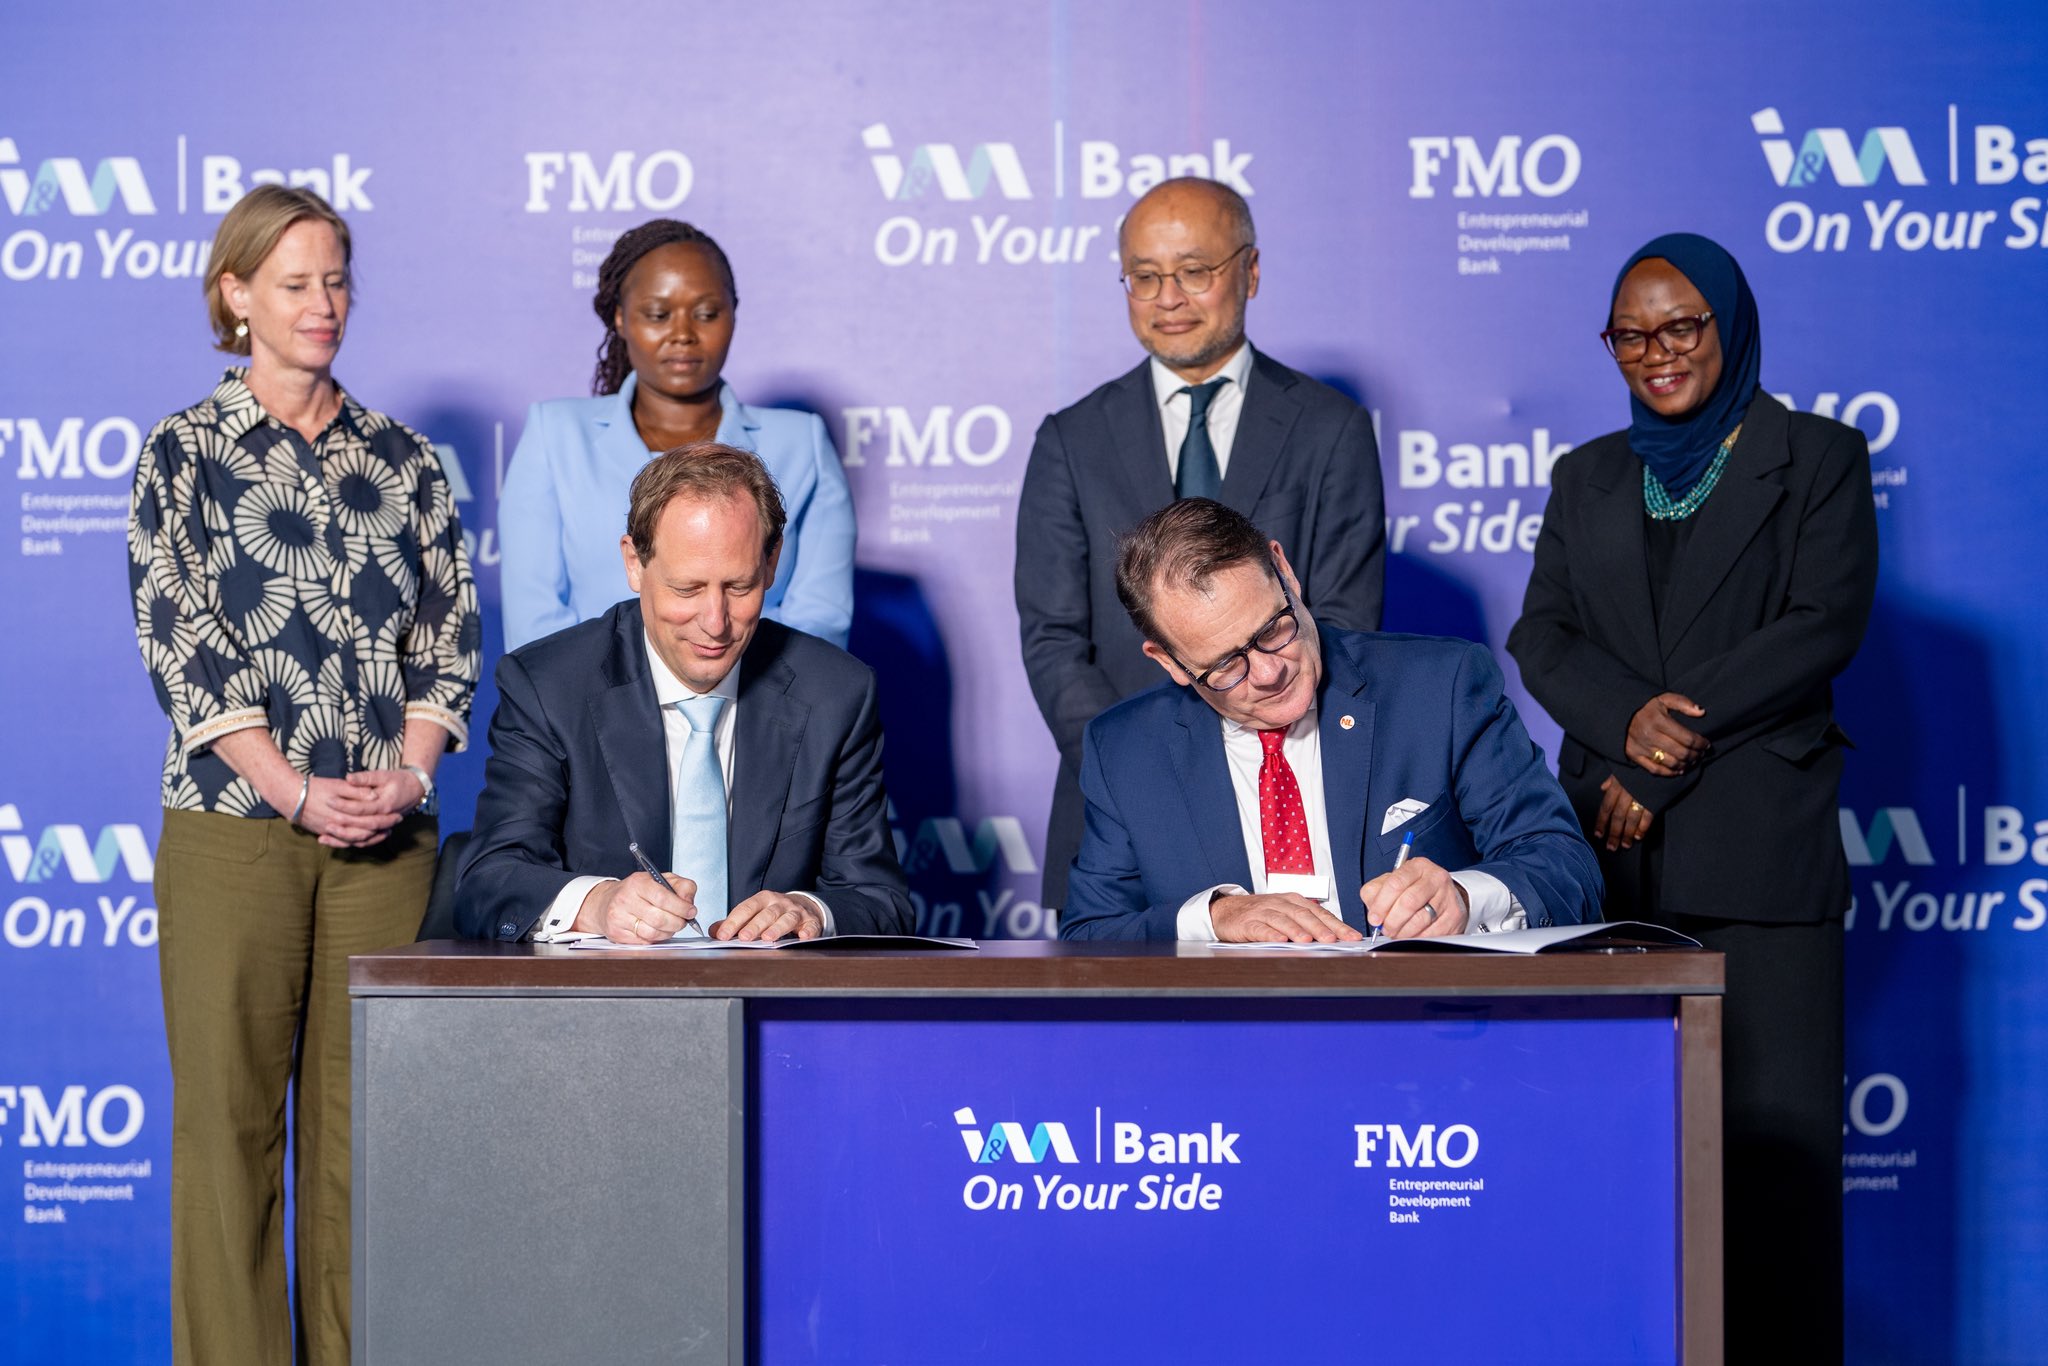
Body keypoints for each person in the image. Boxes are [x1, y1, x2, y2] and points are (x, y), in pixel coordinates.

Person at [1507, 232, 1877, 1363]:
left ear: (1727, 323)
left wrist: (1650, 758)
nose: (1655, 351)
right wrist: (1620, 726)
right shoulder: (1587, 475)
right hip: (1610, 873)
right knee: (1619, 1182)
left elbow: (1818, 626)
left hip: (1756, 867)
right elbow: (1541, 634)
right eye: (1631, 332)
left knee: (1777, 1186)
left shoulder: (1815, 455)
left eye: (1680, 326)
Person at [128, 185, 479, 1366]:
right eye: (293, 284)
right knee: (229, 1136)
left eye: (336, 280)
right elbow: (184, 646)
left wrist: (412, 777)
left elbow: (447, 641)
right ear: (234, 296)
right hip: (237, 830)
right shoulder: (183, 454)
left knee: (362, 1141)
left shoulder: (407, 460)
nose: (323, 304)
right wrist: (291, 787)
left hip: (387, 843)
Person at [1016, 177, 1386, 913]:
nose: (1168, 297)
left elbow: (1343, 623)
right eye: (1145, 277)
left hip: (1293, 792)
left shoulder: (1330, 428)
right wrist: (1137, 773)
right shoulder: (1072, 437)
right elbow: (1054, 640)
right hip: (1118, 819)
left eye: (1194, 271)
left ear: (1249, 271)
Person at [1059, 499, 1597, 942]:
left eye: (1274, 629)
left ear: (1285, 572)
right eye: (1225, 665)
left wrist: (1463, 897)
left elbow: (1565, 867)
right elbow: (1089, 933)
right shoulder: (1125, 749)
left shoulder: (1441, 685)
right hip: (1230, 1045)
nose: (1269, 672)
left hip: (1422, 1030)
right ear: (1170, 662)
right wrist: (1211, 918)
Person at [457, 442, 911, 943]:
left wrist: (808, 911)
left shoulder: (836, 693)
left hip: (772, 1005)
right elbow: (489, 879)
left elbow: (878, 899)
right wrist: (598, 902)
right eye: (687, 589)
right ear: (634, 563)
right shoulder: (548, 684)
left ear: (772, 563)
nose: (715, 623)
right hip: (600, 1005)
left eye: (739, 587)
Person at [498, 219, 855, 651]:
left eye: (706, 314)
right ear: (621, 318)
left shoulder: (804, 444)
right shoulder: (555, 436)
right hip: (584, 713)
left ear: (733, 315)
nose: (683, 334)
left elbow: (819, 625)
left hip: (757, 709)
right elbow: (534, 629)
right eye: (658, 314)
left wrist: (713, 689)